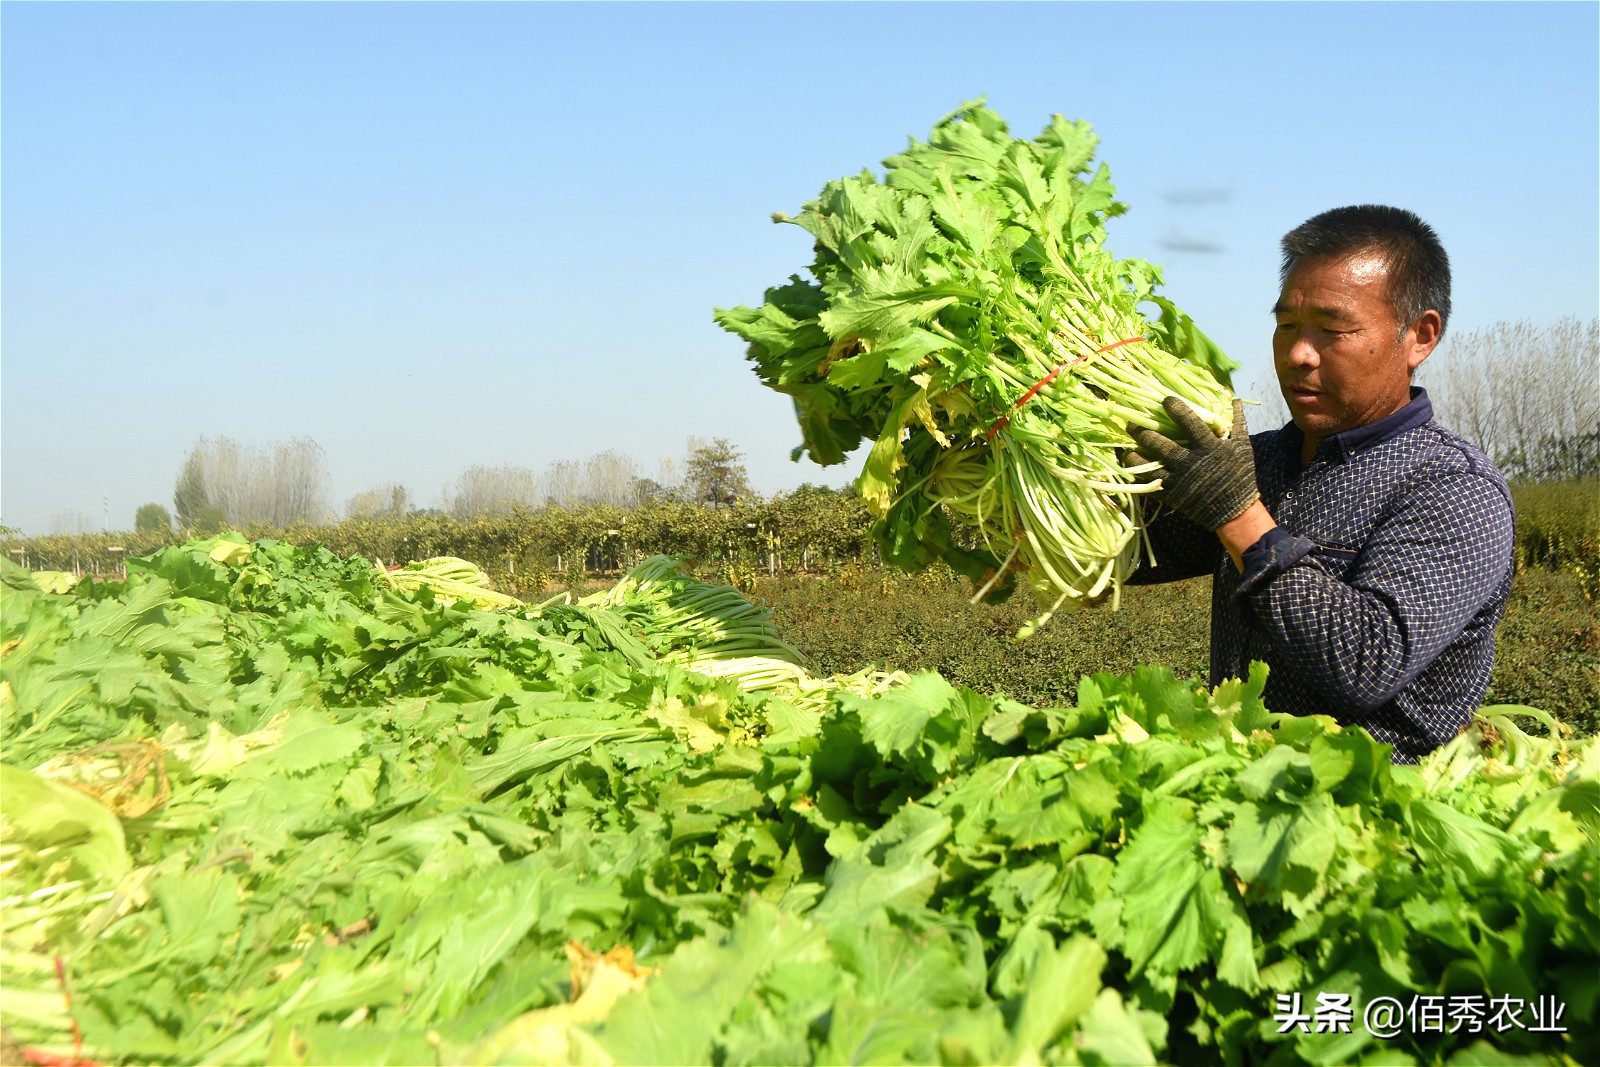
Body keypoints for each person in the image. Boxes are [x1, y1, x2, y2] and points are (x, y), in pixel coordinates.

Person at [1125, 204, 1515, 763]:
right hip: (1235, 784)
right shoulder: (1260, 461)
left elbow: (1368, 661)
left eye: (1334, 331)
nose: (1298, 355)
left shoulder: (1453, 487)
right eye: (1286, 327)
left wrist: (1240, 516)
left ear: (1420, 336)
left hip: (1378, 810)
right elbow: (1135, 551)